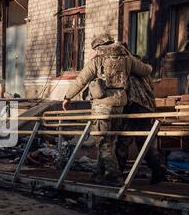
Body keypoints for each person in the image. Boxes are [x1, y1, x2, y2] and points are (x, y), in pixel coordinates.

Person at [62, 34, 153, 186]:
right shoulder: (126, 58)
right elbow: (145, 70)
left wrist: (67, 97)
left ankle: (114, 176)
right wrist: (147, 65)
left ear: (98, 47)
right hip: (120, 106)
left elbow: (81, 80)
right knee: (108, 143)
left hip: (102, 107)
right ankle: (98, 174)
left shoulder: (97, 60)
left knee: (103, 143)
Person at [115, 45, 167, 184]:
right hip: (148, 108)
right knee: (144, 142)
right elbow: (151, 88)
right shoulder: (143, 69)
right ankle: (157, 170)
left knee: (123, 141)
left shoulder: (125, 64)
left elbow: (123, 87)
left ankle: (116, 174)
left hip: (134, 107)